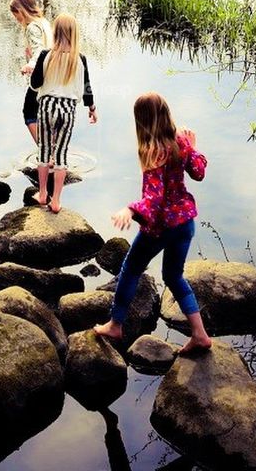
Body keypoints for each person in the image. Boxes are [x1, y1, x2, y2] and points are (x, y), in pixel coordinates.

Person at [94, 92, 212, 355]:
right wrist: (192, 148)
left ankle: (115, 324)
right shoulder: (180, 142)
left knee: (131, 268)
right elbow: (199, 172)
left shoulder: (153, 151)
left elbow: (153, 199)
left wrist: (130, 209)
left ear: (141, 122)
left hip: (161, 228)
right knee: (173, 276)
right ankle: (199, 334)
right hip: (184, 224)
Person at [29, 12, 97, 213]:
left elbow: (35, 84)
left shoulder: (45, 55)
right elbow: (87, 89)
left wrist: (32, 69)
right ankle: (56, 200)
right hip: (67, 108)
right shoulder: (80, 59)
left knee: (43, 150)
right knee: (61, 154)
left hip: (47, 105)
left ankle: (42, 194)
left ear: (55, 33)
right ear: (74, 34)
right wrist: (92, 109)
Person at [9, 0, 53, 144]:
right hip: (52, 75)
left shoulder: (32, 27)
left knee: (29, 113)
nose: (17, 20)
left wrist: (30, 64)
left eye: (17, 16)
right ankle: (53, 151)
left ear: (21, 11)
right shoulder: (44, 23)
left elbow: (40, 50)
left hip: (39, 77)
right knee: (45, 115)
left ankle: (45, 152)